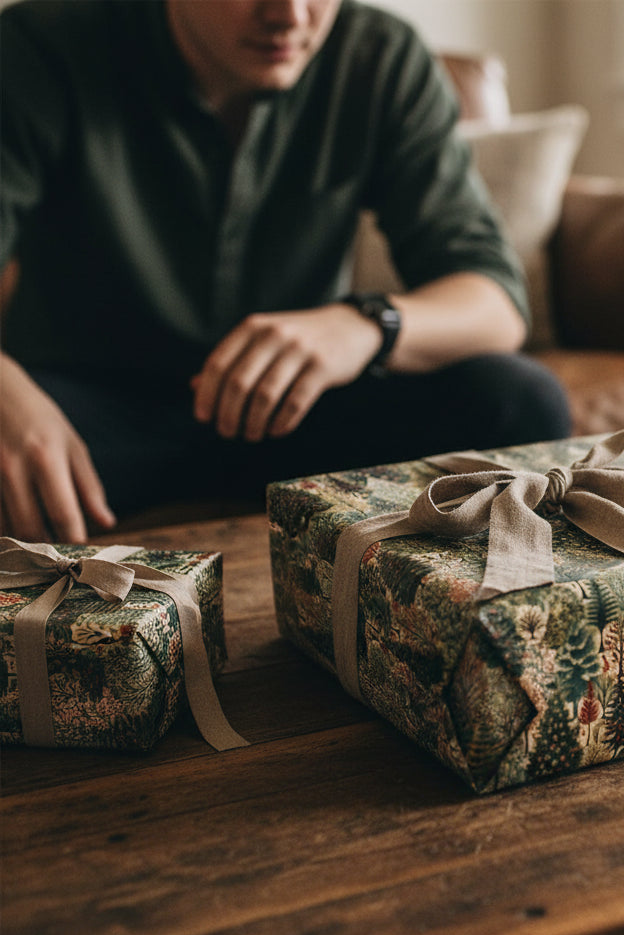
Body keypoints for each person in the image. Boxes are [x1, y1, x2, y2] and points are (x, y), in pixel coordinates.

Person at [0, 0, 572, 544]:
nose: (290, 16)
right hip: (90, 413)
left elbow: (495, 300)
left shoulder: (380, 57)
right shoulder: (39, 47)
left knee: (519, 400)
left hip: (294, 408)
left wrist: (367, 324)